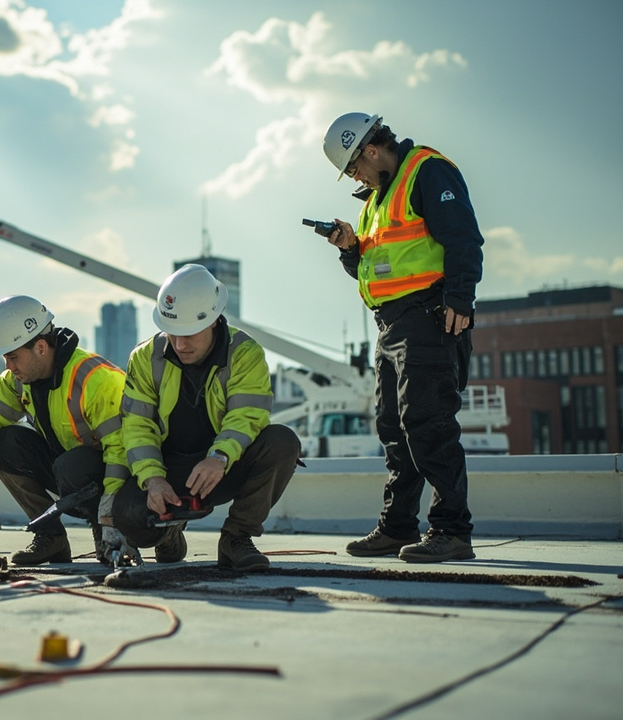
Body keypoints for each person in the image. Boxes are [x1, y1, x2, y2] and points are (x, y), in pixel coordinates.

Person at [320, 112, 484, 562]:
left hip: (427, 318)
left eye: (354, 168)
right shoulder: (375, 200)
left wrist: (460, 299)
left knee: (429, 424)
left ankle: (451, 530)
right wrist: (350, 250)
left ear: (371, 151)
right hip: (391, 324)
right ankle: (397, 528)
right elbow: (377, 268)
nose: (356, 177)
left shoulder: (427, 171)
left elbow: (463, 238)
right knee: (394, 430)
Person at [111, 265, 301, 572]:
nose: (180, 344)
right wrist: (153, 479)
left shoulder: (244, 353)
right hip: (169, 469)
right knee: (130, 518)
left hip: (224, 465)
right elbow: (137, 426)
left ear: (214, 320)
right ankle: (168, 534)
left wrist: (219, 457)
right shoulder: (144, 358)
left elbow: (247, 415)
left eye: (189, 333)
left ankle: (236, 538)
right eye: (172, 332)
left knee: (282, 442)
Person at [0, 295, 130, 566]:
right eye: (6, 358)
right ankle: (50, 538)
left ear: (41, 347)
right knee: (5, 442)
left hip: (117, 479)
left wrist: (108, 514)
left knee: (73, 465)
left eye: (13, 357)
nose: (8, 366)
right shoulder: (18, 379)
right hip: (69, 477)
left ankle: (160, 534)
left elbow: (122, 450)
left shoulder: (95, 379)